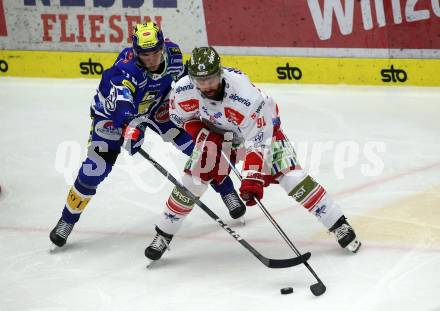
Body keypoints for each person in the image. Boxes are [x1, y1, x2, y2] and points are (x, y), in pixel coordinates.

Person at [144, 47, 361, 262]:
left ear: (220, 73)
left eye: (211, 78)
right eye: (201, 80)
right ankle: (163, 234)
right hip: (218, 134)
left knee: (292, 178)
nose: (206, 85)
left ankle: (338, 224)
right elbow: (179, 116)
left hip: (263, 134)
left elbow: (258, 143)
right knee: (192, 181)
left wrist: (252, 178)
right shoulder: (184, 89)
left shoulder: (245, 96)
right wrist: (200, 132)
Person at [50, 24, 245, 248]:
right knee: (94, 170)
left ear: (162, 46)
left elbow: (186, 82)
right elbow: (122, 105)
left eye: (155, 52)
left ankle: (228, 192)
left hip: (157, 106)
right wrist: (132, 127)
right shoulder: (124, 70)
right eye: (145, 54)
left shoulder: (173, 55)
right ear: (136, 52)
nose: (151, 58)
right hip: (113, 116)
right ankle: (66, 220)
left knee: (199, 150)